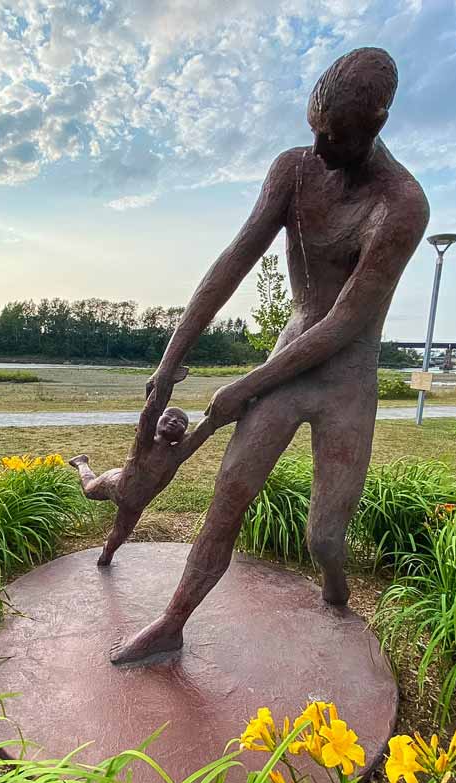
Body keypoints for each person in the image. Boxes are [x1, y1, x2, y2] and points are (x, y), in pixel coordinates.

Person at [111, 47, 429, 664]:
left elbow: (344, 323)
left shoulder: (402, 206)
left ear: (378, 123)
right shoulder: (294, 171)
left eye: (333, 137)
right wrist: (170, 359)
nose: (318, 147)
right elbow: (233, 262)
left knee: (324, 536)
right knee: (229, 492)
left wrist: (246, 384)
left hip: (344, 380)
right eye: (314, 129)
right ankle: (173, 622)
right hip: (287, 363)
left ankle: (336, 591)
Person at [71, 391, 215, 566]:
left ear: (184, 434)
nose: (175, 420)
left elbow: (204, 430)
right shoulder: (144, 442)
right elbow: (150, 412)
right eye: (170, 415)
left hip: (135, 505)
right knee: (89, 490)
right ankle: (81, 463)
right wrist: (162, 383)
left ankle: (105, 557)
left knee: (118, 537)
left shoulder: (177, 454)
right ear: (156, 423)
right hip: (114, 483)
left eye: (182, 422)